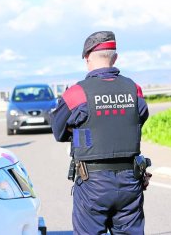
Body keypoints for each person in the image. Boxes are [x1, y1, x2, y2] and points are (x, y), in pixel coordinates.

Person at [50, 31, 152, 234]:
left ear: (87, 57)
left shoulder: (76, 93)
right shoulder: (134, 89)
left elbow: (58, 132)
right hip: (130, 180)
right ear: (115, 58)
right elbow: (139, 117)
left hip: (92, 183)